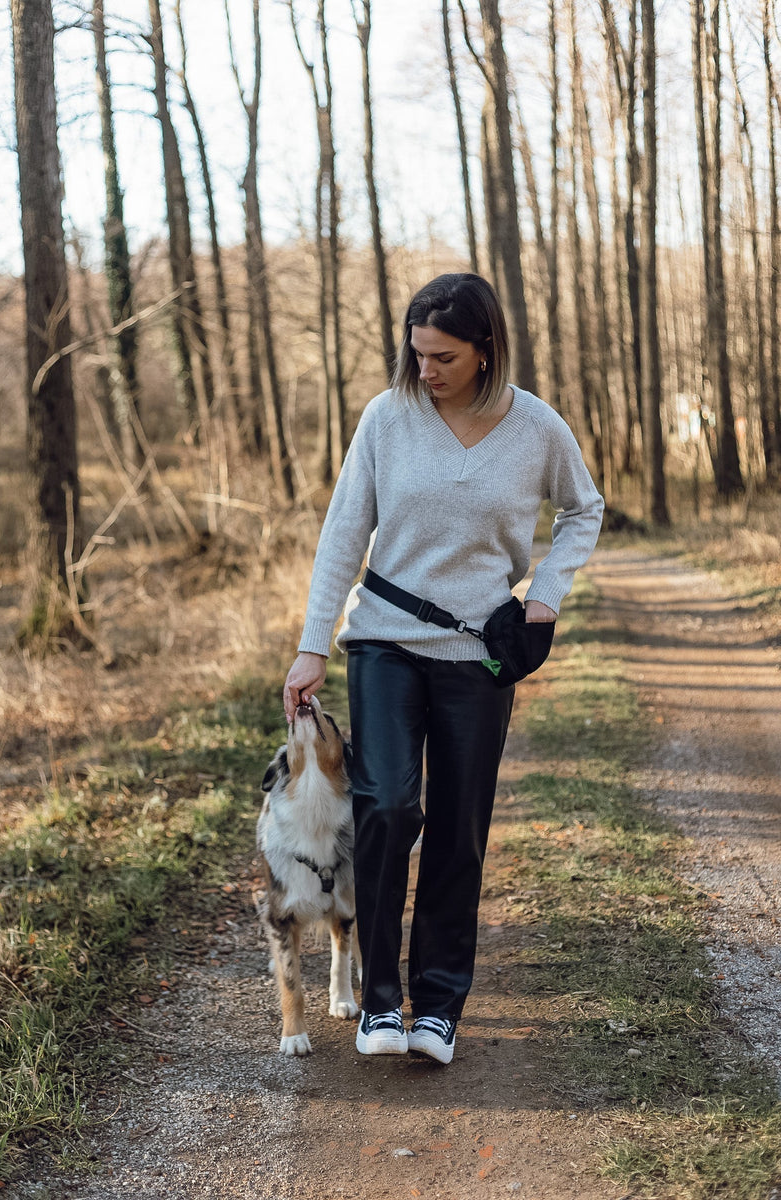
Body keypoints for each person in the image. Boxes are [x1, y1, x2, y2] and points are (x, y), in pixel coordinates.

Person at [283, 273, 603, 1065]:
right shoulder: (387, 420)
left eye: (444, 356)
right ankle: (380, 1003)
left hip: (477, 656)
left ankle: (439, 1007)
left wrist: (545, 597)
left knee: (460, 827)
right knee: (387, 807)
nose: (425, 369)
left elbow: (584, 508)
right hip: (386, 644)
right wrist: (313, 642)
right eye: (417, 352)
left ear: (486, 349)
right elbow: (342, 535)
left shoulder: (535, 428)